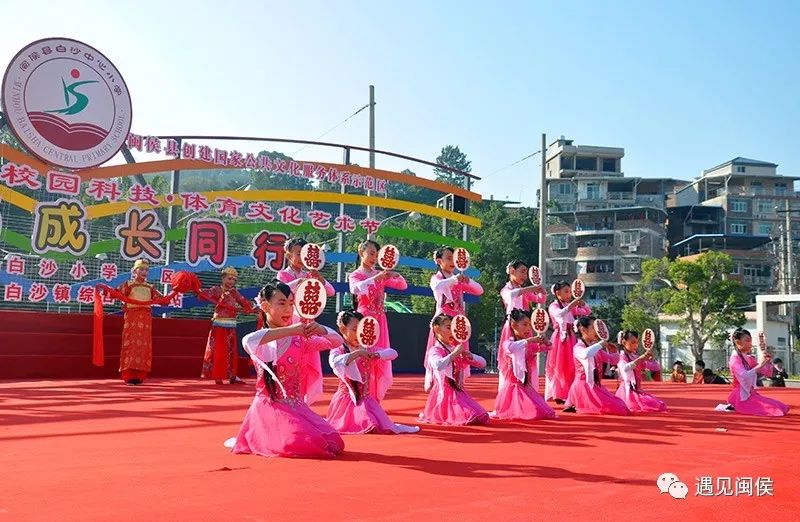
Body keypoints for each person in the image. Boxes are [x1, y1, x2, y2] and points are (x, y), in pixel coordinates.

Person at [228, 281, 345, 458]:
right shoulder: (261, 340)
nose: (288, 309)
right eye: (281, 303)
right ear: (266, 306)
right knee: (305, 444)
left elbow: (336, 341)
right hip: (270, 407)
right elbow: (247, 341)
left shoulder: (299, 340)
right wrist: (291, 330)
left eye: (291, 303)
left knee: (334, 441)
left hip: (297, 406)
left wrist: (321, 329)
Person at [326, 310, 419, 434]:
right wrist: (357, 354)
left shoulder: (368, 348)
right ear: (343, 329)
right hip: (346, 401)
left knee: (380, 424)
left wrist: (377, 354)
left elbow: (393, 353)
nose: (359, 335)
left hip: (366, 399)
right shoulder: (340, 348)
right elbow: (334, 362)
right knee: (368, 423)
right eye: (354, 330)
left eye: (361, 331)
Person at [348, 239, 408, 401]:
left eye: (376, 254)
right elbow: (354, 288)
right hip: (364, 319)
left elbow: (403, 286)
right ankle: (362, 393)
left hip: (380, 320)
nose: (374, 257)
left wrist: (395, 274)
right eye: (371, 253)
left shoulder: (379, 274)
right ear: (361, 252)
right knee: (364, 355)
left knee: (378, 356)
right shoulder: (356, 274)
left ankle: (374, 396)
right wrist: (377, 278)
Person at [424, 246, 483, 392]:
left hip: (459, 322)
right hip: (443, 320)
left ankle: (458, 385)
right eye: (449, 258)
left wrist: (468, 281)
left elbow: (479, 290)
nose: (453, 262)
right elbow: (437, 287)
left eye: (454, 258)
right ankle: (439, 385)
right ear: (439, 261)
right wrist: (455, 279)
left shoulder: (458, 279)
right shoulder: (437, 278)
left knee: (459, 353)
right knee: (441, 351)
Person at [419, 314, 489, 426]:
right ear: (437, 329)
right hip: (444, 393)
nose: (452, 331)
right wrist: (455, 353)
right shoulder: (435, 350)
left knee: (480, 414)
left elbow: (483, 364)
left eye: (453, 328)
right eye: (448, 328)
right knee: (468, 415)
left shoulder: (455, 349)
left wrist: (471, 356)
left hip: (459, 392)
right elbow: (438, 365)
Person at [491, 309, 556, 420]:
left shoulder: (528, 344)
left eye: (529, 325)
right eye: (525, 324)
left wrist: (547, 342)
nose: (528, 328)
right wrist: (530, 340)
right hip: (513, 386)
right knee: (529, 412)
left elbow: (548, 347)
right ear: (514, 325)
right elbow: (512, 348)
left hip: (526, 386)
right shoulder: (509, 342)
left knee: (540, 411)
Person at [563, 316, 630, 415]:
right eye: (594, 328)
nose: (597, 331)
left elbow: (614, 361)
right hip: (583, 386)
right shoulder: (578, 347)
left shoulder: (594, 346)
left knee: (621, 405)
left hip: (595, 386)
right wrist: (600, 345)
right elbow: (585, 354)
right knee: (615, 409)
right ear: (583, 329)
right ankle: (578, 403)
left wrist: (614, 351)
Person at [199, 267, 255, 384]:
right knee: (219, 351)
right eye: (229, 279)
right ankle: (218, 375)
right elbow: (203, 296)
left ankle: (232, 376)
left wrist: (256, 306)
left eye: (234, 280)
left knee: (231, 352)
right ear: (223, 278)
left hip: (231, 325)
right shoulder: (216, 290)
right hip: (219, 324)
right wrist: (196, 289)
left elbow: (245, 303)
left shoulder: (234, 292)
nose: (231, 282)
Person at [116, 259, 166, 385]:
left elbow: (163, 300)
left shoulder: (150, 287)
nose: (144, 272)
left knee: (143, 347)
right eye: (141, 269)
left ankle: (140, 376)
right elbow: (116, 294)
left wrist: (175, 291)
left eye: (146, 270)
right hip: (132, 318)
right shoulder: (128, 284)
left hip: (145, 320)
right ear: (135, 271)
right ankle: (128, 375)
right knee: (131, 345)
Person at [499, 261, 546, 390]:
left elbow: (541, 299)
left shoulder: (524, 292)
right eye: (523, 271)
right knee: (511, 359)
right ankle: (509, 391)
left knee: (528, 358)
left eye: (526, 272)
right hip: (512, 328)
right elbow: (512, 295)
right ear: (512, 271)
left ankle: (530, 390)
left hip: (525, 327)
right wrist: (532, 288)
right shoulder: (506, 289)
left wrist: (541, 290)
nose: (525, 276)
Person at [725, 328, 788, 417]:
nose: (750, 344)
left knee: (781, 406)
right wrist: (760, 365)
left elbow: (766, 372)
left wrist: (766, 358)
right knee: (774, 410)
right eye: (747, 340)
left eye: (750, 340)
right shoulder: (734, 359)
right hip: (740, 396)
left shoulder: (748, 358)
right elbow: (743, 376)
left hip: (750, 394)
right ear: (738, 342)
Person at [546, 281, 591, 403]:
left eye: (570, 291)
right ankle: (557, 394)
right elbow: (559, 314)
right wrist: (571, 305)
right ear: (557, 293)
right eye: (566, 291)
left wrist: (583, 304)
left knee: (571, 366)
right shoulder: (554, 306)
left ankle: (570, 393)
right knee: (558, 365)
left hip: (571, 338)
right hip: (559, 339)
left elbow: (587, 312)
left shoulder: (570, 307)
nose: (569, 294)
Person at [615, 330, 667, 413]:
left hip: (637, 390)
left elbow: (655, 367)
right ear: (624, 342)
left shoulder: (634, 356)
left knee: (659, 405)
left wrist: (651, 359)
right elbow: (625, 368)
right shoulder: (621, 356)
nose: (635, 345)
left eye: (636, 342)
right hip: (627, 390)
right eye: (632, 342)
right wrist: (641, 359)